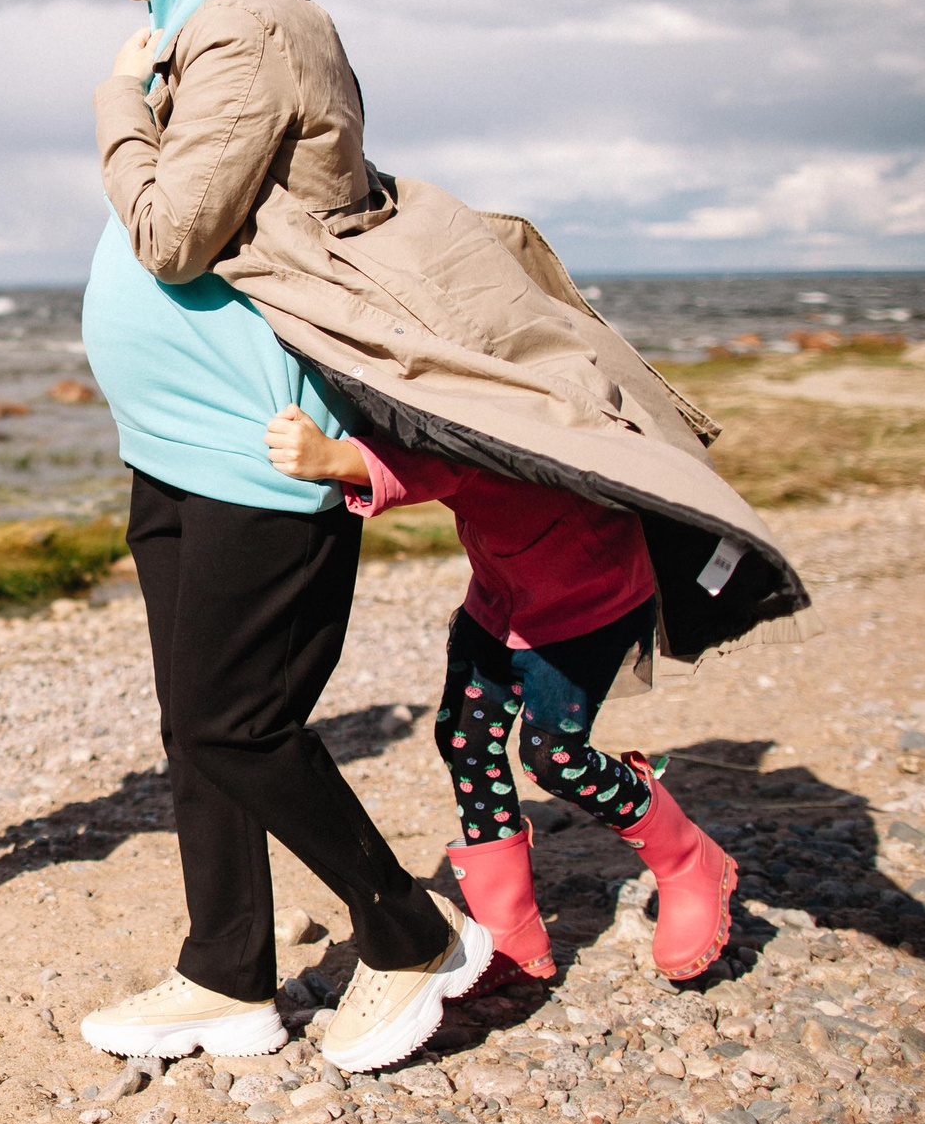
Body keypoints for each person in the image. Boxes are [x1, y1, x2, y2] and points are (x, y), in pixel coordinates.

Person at [76, 0, 493, 1076]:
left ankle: (410, 931)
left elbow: (171, 229)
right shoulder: (214, 30)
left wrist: (112, 111)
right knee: (194, 719)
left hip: (260, 449)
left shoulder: (248, 30)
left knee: (234, 722)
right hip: (183, 447)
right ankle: (225, 973)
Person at [263, 406, 739, 982]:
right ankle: (510, 925)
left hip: (586, 602)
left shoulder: (501, 404)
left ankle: (687, 857)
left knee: (555, 758)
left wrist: (337, 458)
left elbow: (447, 453)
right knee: (465, 741)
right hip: (500, 594)